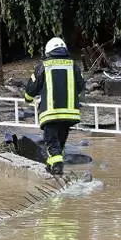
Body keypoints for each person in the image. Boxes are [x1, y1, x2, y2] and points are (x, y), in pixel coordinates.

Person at [24, 37, 84, 175]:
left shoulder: (43, 66)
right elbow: (80, 86)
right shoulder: (73, 65)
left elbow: (31, 89)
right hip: (70, 114)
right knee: (60, 143)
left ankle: (56, 167)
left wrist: (28, 98)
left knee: (51, 142)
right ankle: (52, 167)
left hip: (51, 113)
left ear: (48, 51)